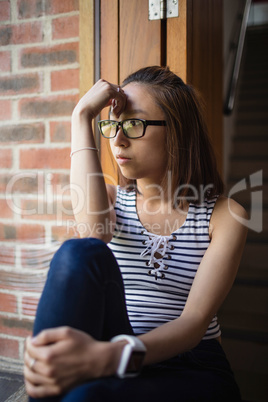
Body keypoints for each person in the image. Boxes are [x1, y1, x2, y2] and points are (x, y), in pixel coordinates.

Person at [24, 66, 248, 401]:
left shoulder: (225, 215)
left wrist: (109, 356)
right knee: (78, 251)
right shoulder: (112, 200)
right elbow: (92, 234)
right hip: (114, 343)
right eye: (113, 125)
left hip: (190, 363)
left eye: (133, 123)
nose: (118, 139)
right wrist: (81, 116)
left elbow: (194, 324)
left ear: (177, 130)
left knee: (85, 397)